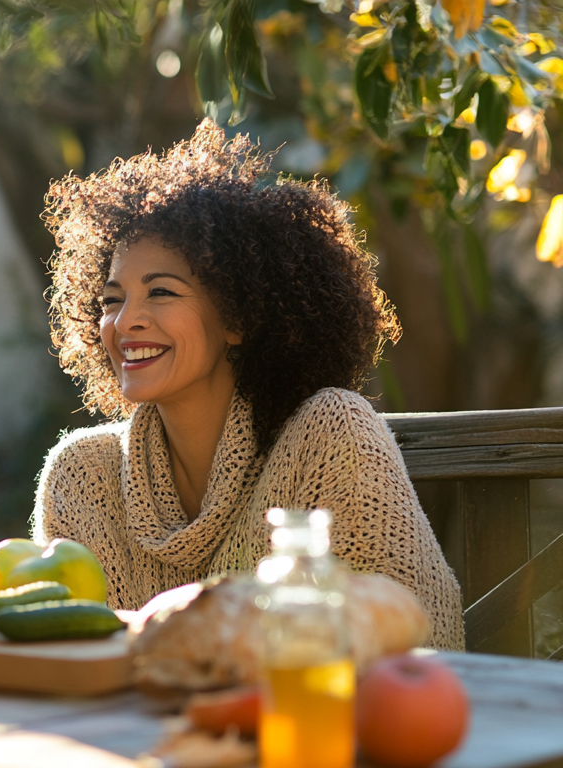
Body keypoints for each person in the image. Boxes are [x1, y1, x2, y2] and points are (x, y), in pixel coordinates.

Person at [31, 121, 464, 650]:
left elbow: (420, 639)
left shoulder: (329, 436)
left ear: (237, 317)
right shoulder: (80, 476)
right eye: (111, 300)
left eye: (161, 292)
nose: (124, 323)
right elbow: (66, 657)